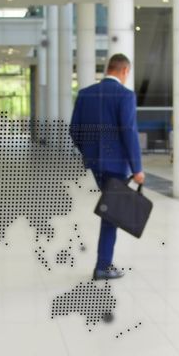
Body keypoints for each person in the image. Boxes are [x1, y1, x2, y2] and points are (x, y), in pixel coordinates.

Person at [69, 53, 143, 281]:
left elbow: (74, 130)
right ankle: (103, 266)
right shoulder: (125, 95)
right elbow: (129, 132)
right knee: (111, 214)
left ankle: (104, 263)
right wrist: (137, 167)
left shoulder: (85, 94)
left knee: (110, 211)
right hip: (117, 166)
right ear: (124, 71)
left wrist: (89, 154)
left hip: (96, 166)